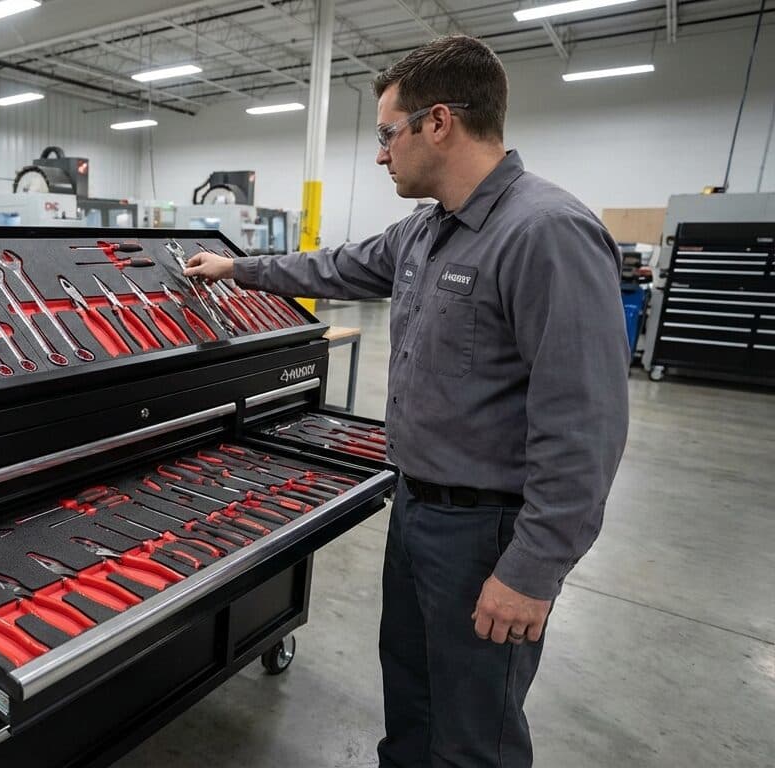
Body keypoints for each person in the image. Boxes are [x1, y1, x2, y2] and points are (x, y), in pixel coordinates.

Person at [185, 35, 629, 768]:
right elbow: (338, 266)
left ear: (439, 122)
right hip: (416, 510)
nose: (380, 155)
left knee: (473, 736)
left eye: (388, 133)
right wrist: (238, 268)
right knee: (412, 708)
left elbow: (585, 423)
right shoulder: (427, 229)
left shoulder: (546, 232)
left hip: (488, 534)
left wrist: (531, 570)